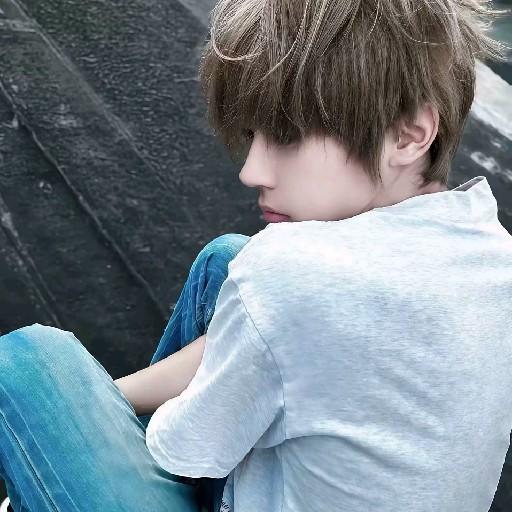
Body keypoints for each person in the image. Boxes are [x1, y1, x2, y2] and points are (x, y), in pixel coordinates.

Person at [1, 0, 512, 511]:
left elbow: (182, 447)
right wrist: (102, 399)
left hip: (205, 455)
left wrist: (73, 414)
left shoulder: (291, 272)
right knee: (225, 263)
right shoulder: (494, 257)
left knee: (29, 364)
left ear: (407, 135)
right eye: (252, 135)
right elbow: (287, 336)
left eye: (287, 136)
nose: (251, 171)